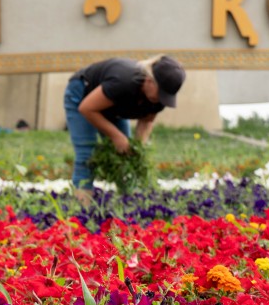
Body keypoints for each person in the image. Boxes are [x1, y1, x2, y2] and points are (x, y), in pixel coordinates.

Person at [64, 55, 186, 204]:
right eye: (161, 94)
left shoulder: (159, 98)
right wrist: (116, 136)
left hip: (114, 104)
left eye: (167, 96)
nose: (163, 100)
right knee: (87, 154)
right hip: (82, 93)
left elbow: (146, 121)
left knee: (125, 155)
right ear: (149, 81)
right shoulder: (124, 83)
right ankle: (82, 208)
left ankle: (128, 206)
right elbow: (87, 108)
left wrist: (138, 148)